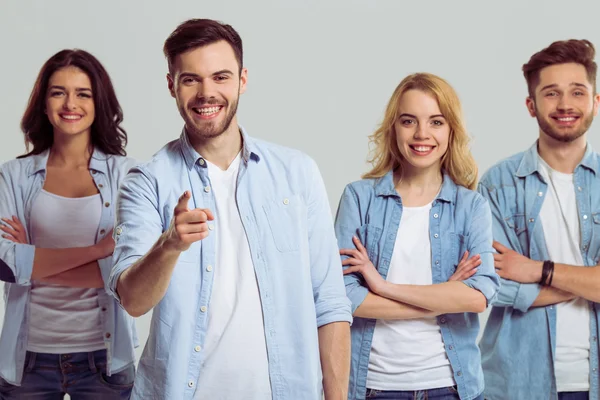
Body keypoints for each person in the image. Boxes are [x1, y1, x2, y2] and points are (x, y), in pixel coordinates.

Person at [108, 18, 352, 400]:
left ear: (242, 79)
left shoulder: (297, 173)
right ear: (171, 85)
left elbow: (330, 302)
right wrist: (168, 246)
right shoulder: (147, 181)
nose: (207, 93)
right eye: (191, 79)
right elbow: (132, 301)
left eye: (220, 77)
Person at [335, 72, 500, 400]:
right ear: (393, 128)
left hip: (452, 387)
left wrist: (383, 287)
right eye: (409, 121)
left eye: (436, 122)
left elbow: (478, 296)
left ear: (451, 129)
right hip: (373, 387)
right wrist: (443, 297)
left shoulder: (471, 206)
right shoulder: (359, 199)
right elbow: (342, 297)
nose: (422, 134)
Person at [0, 49, 137, 399]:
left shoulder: (127, 176)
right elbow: (3, 262)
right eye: (58, 92)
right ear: (43, 104)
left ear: (98, 103)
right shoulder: (12, 176)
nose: (69, 103)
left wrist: (30, 258)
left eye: (83, 93)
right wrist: (96, 251)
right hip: (27, 361)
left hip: (104, 360)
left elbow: (129, 270)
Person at [479, 39, 600, 400]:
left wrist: (538, 270)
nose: (565, 104)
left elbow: (519, 280)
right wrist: (587, 281)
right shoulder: (498, 184)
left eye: (577, 92)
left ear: (596, 101)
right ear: (531, 106)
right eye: (551, 94)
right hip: (518, 381)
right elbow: (493, 287)